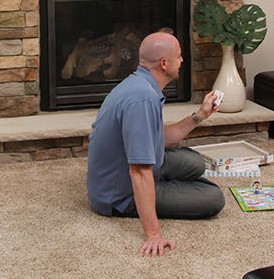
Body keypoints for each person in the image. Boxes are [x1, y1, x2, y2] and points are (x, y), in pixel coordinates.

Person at [86, 31, 225, 256]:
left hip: (134, 168)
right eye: (179, 56)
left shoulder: (140, 85)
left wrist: (200, 115)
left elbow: (162, 138)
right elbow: (139, 171)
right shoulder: (141, 99)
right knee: (213, 198)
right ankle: (156, 192)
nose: (182, 61)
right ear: (164, 63)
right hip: (119, 194)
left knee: (195, 162)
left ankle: (164, 182)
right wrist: (154, 235)